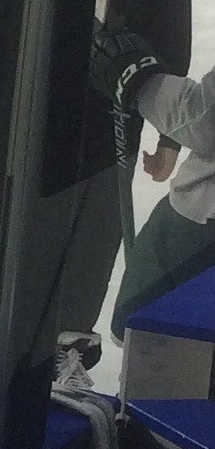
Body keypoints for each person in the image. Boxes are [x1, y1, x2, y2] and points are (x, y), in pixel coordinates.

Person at [53, 0, 194, 350]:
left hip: (109, 131)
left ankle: (70, 353)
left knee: (90, 248)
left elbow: (174, 50)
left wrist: (171, 139)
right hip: (37, 119)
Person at [92, 24, 215, 341]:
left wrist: (139, 80)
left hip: (200, 229)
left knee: (153, 352)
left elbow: (206, 120)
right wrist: (171, 141)